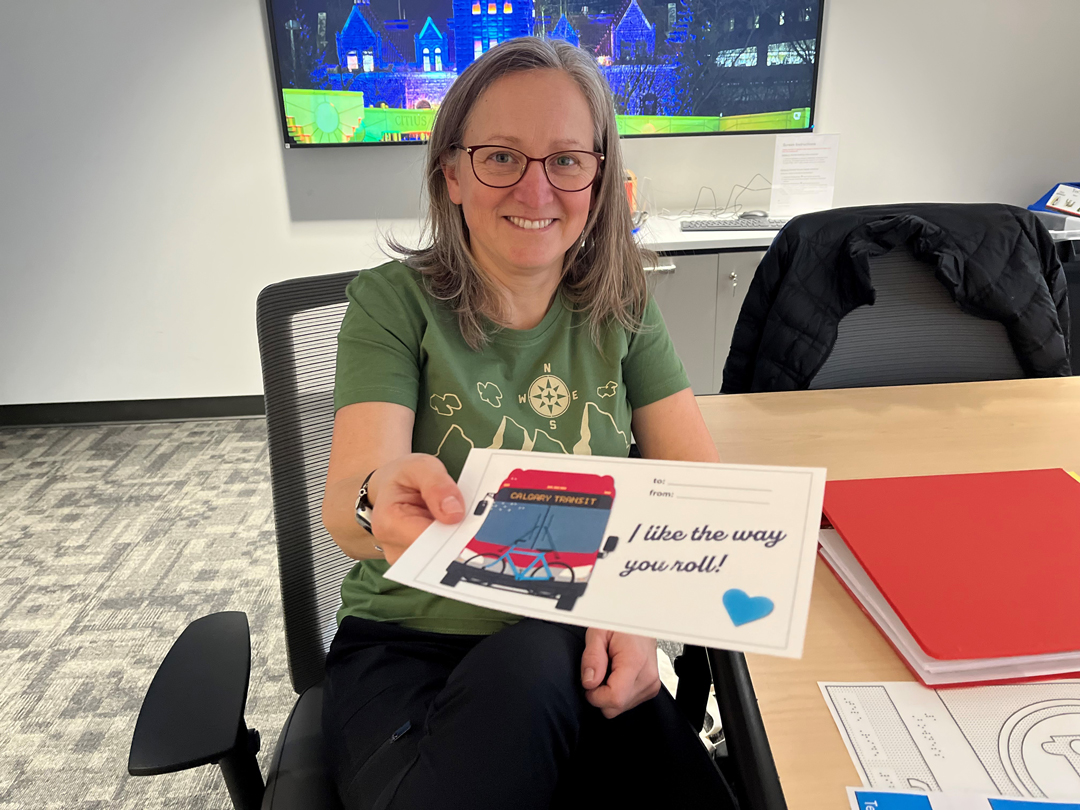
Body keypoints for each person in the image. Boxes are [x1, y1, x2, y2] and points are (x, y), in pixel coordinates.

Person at [320, 36, 732, 810]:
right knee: (535, 661)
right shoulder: (392, 305)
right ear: (451, 173)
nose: (536, 189)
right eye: (501, 157)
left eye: (567, 160)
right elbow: (348, 503)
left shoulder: (624, 307)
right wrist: (383, 495)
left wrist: (636, 615)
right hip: (415, 649)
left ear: (600, 178)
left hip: (587, 641)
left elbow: (694, 493)